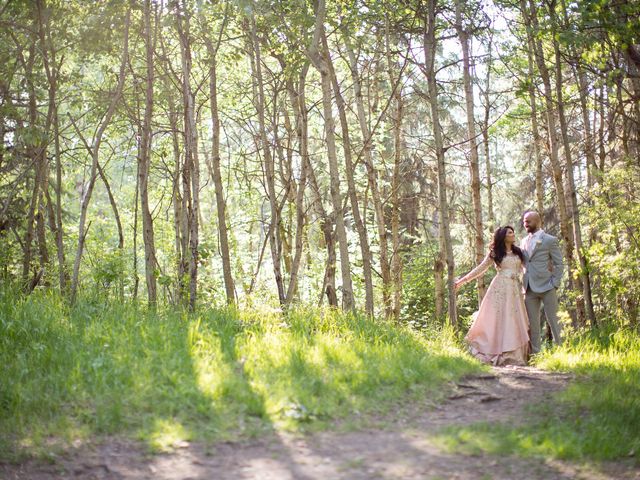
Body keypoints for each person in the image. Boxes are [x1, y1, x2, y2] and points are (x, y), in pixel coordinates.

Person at [454, 226, 530, 366]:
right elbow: (481, 268)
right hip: (499, 288)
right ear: (503, 236)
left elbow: (527, 268)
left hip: (514, 290)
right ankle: (494, 350)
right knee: (497, 320)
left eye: (513, 232)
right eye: (510, 232)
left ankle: (512, 354)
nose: (513, 234)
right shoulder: (495, 253)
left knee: (512, 319)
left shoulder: (519, 252)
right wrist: (462, 281)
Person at [520, 211, 564, 354]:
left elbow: (559, 263)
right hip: (529, 288)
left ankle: (561, 351)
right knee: (533, 324)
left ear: (538, 222)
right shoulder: (523, 241)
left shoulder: (550, 240)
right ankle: (535, 355)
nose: (525, 224)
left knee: (554, 320)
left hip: (547, 286)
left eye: (528, 221)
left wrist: (555, 283)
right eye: (524, 221)